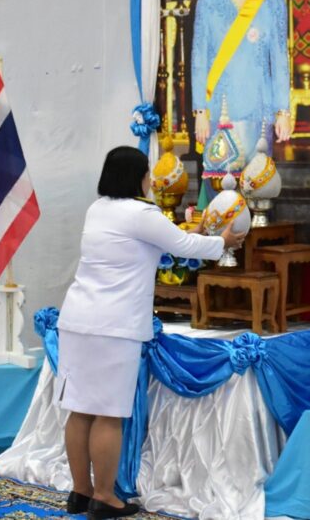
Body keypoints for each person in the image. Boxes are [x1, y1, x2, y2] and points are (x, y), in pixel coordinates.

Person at [56, 146, 245, 519]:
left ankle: (80, 492)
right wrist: (223, 242)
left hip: (78, 320)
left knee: (79, 410)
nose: (150, 181)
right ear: (138, 178)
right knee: (108, 414)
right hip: (114, 327)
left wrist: (196, 233)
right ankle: (104, 497)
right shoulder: (142, 214)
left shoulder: (98, 209)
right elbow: (183, 245)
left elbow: (157, 244)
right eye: (147, 174)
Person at [191, 0, 291, 178]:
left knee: (257, 186)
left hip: (260, 109)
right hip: (220, 110)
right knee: (221, 188)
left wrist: (283, 111)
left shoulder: (272, 2)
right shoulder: (208, 5)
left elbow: (280, 61)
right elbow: (199, 62)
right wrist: (200, 111)